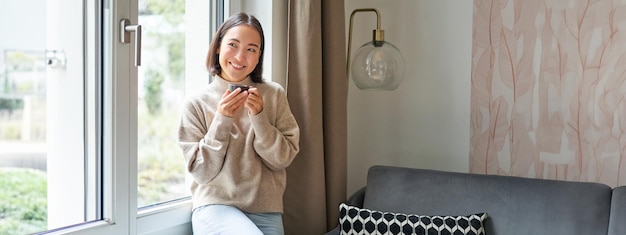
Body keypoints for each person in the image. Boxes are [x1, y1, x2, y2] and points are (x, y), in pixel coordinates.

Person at [177, 12, 300, 235]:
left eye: (251, 49)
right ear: (218, 47)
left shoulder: (274, 95)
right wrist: (222, 120)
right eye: (233, 45)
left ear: (259, 56)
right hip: (215, 206)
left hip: (266, 209)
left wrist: (259, 117)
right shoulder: (196, 103)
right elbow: (201, 172)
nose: (240, 56)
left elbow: (282, 159)